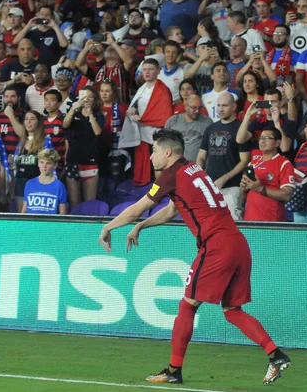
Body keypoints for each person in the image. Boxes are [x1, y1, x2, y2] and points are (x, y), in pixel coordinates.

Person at [98, 129, 291, 386]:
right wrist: (142, 226)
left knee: (187, 306)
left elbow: (135, 209)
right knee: (232, 310)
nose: (151, 157)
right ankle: (275, 355)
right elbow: (169, 212)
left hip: (216, 247)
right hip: (237, 243)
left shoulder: (170, 175)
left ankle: (173, 370)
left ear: (168, 152)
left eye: (154, 151)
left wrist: (108, 226)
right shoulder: (193, 170)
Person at [119, 58, 174, 186]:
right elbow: (136, 106)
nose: (147, 72)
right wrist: (132, 110)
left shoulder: (162, 90)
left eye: (150, 69)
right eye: (144, 69)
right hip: (140, 134)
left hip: (155, 135)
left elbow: (164, 115)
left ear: (158, 72)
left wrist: (142, 118)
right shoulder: (142, 88)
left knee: (155, 170)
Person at [196, 92, 250, 220]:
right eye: (218, 105)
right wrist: (200, 177)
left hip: (232, 186)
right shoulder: (210, 128)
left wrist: (224, 178)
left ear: (233, 107)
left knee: (232, 223)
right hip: (211, 185)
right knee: (210, 223)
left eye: (224, 105)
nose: (220, 109)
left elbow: (244, 160)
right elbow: (201, 157)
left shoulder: (240, 128)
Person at [240, 126, 295, 222]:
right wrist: (243, 190)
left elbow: (287, 195)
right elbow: (243, 197)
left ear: (277, 143)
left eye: (267, 138)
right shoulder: (252, 163)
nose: (262, 141)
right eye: (261, 138)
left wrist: (260, 189)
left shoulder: (284, 163)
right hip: (249, 221)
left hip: (271, 222)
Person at [63, 86, 104, 208]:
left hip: (89, 161)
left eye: (89, 97)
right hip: (73, 160)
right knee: (74, 200)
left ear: (94, 99)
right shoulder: (74, 113)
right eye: (84, 97)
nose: (86, 100)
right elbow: (65, 125)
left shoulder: (98, 115)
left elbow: (97, 132)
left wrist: (90, 114)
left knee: (89, 202)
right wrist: (73, 109)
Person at [164, 95, 212, 162]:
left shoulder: (207, 122)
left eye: (200, 108)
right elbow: (163, 145)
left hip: (197, 167)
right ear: (186, 107)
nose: (197, 111)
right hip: (174, 166)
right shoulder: (172, 121)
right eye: (194, 108)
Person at [22, 148, 68, 215]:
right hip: (31, 224)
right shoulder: (30, 184)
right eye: (42, 162)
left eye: (48, 163)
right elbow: (24, 210)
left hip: (50, 224)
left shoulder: (59, 186)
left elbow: (62, 213)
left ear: (55, 165)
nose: (44, 166)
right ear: (38, 163)